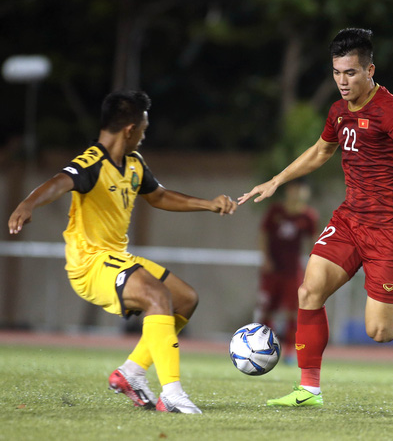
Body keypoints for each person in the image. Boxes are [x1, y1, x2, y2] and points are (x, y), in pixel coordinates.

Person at [239, 28, 393, 407]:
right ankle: (309, 389)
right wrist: (277, 180)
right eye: (336, 73)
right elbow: (320, 151)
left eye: (350, 73)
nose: (342, 81)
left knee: (378, 330)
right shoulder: (338, 111)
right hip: (350, 219)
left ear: (370, 70)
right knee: (309, 291)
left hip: (391, 228)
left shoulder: (391, 110)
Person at [7, 91, 237, 414]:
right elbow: (60, 181)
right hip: (90, 263)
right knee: (157, 297)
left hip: (117, 258)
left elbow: (158, 196)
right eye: (143, 129)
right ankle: (171, 393)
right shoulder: (92, 162)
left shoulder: (133, 164)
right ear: (130, 129)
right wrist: (28, 203)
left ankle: (131, 373)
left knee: (185, 298)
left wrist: (208, 204)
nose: (144, 136)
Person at [255, 178, 318, 363]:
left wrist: (313, 266)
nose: (298, 192)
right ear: (289, 190)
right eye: (295, 188)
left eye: (302, 189)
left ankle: (290, 351)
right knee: (266, 310)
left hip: (293, 270)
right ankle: (262, 349)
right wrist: (265, 258)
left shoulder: (308, 216)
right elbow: (263, 234)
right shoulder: (276, 211)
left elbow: (314, 242)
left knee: (294, 311)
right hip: (272, 269)